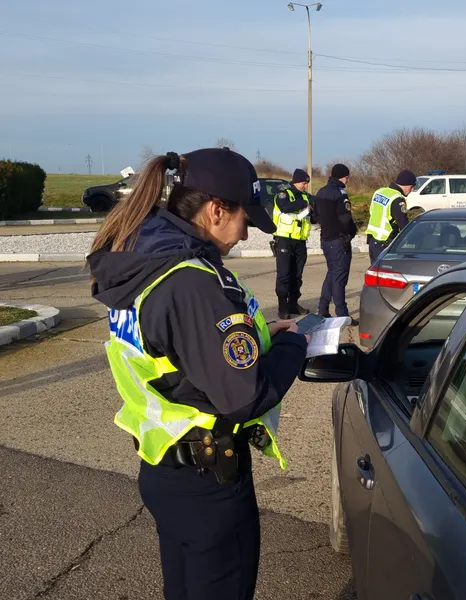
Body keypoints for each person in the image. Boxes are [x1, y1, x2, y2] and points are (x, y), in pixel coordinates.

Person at [86, 148, 310, 600]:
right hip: (209, 484)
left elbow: (182, 352)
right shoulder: (191, 281)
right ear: (215, 210)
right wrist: (294, 345)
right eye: (246, 216)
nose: (248, 231)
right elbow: (243, 395)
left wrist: (266, 331)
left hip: (165, 469)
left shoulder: (145, 263)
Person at [314, 163, 358, 324]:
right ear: (343, 177)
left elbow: (316, 215)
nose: (347, 181)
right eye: (347, 177)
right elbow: (346, 219)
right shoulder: (340, 194)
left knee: (332, 274)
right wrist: (351, 232)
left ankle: (323, 309)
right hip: (339, 240)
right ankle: (342, 315)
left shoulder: (321, 192)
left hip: (326, 239)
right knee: (339, 277)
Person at [273, 168, 313, 319]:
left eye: (306, 183)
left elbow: (310, 216)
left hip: (300, 241)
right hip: (284, 240)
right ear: (296, 181)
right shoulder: (283, 194)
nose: (305, 186)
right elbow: (285, 207)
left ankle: (293, 304)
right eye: (304, 183)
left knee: (297, 276)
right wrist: (303, 203)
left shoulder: (305, 197)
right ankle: (282, 308)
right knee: (284, 275)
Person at [365, 169, 416, 262]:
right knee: (385, 274)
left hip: (372, 241)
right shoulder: (397, 199)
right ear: (406, 184)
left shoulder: (379, 192)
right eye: (412, 186)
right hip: (385, 243)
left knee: (375, 274)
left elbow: (372, 211)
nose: (412, 190)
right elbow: (403, 225)